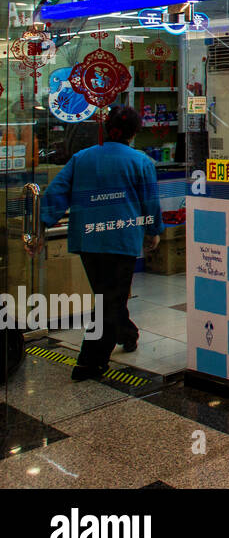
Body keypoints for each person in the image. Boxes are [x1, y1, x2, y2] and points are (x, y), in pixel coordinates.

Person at [39, 105, 160, 381]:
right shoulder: (140, 161)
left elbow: (56, 192)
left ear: (105, 129)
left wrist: (41, 224)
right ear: (134, 133)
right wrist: (153, 231)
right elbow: (150, 203)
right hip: (121, 239)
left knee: (108, 296)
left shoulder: (82, 158)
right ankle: (89, 362)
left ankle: (128, 334)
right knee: (110, 300)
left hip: (88, 239)